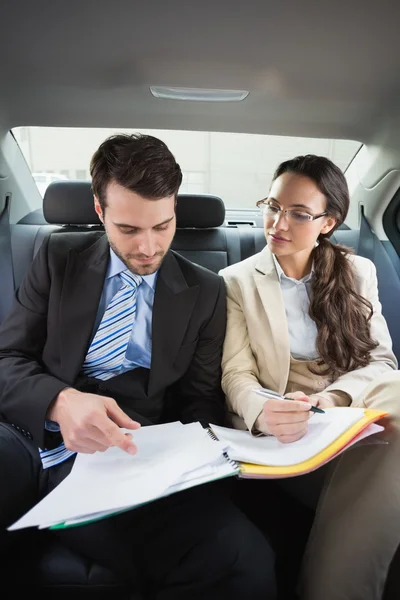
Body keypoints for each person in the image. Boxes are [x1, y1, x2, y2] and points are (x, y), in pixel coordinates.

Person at [0, 133, 277, 599]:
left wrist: (193, 462)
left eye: (163, 226)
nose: (149, 247)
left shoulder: (205, 291)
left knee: (242, 556)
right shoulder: (55, 259)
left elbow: (198, 399)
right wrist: (60, 402)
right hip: (31, 438)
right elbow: (8, 359)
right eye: (129, 230)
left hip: (132, 451)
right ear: (99, 211)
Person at [219, 154, 400, 600]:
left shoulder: (359, 273)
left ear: (327, 223)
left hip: (352, 412)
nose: (278, 222)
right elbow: (236, 375)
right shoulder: (234, 281)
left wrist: (335, 400)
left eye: (298, 214)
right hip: (288, 429)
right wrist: (265, 411)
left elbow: (381, 365)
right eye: (273, 206)